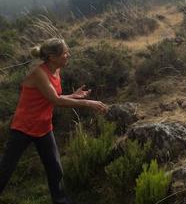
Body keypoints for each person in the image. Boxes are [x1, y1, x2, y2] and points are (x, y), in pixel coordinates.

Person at [0, 38, 108, 204]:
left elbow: (52, 97)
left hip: (43, 127)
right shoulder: (38, 73)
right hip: (23, 127)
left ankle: (60, 201)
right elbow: (56, 100)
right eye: (65, 53)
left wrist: (73, 96)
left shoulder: (56, 70)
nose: (68, 55)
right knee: (6, 168)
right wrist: (87, 103)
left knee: (55, 168)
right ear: (52, 57)